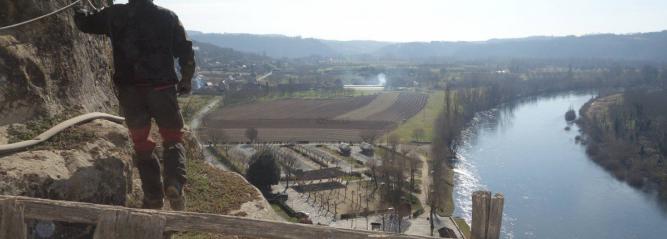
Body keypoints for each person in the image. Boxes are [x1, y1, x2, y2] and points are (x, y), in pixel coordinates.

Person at [74, 0, 195, 211]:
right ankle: (174, 183)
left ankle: (153, 198)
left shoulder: (115, 14)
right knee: (173, 137)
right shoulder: (168, 17)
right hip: (162, 88)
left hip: (131, 91)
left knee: (142, 145)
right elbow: (185, 50)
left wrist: (80, 9)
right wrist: (186, 79)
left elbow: (85, 24)